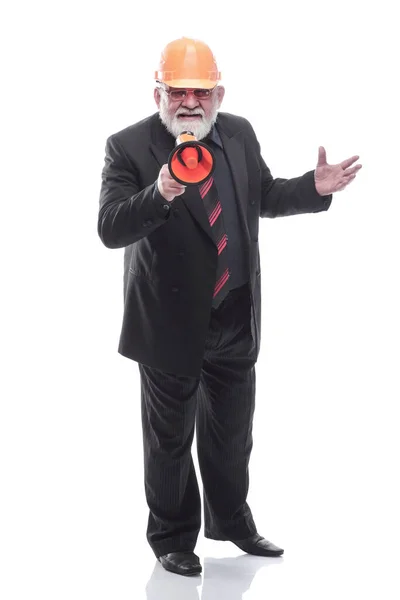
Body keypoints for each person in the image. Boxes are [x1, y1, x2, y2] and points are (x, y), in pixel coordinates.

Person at [98, 36, 361, 577]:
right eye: (177, 92)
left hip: (236, 314)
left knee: (231, 433)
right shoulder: (128, 147)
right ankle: (172, 538)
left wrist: (313, 187)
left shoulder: (238, 133)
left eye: (200, 91)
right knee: (169, 439)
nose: (189, 102)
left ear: (218, 94)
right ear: (158, 95)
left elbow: (261, 195)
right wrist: (162, 191)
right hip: (169, 324)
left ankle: (232, 523)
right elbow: (111, 227)